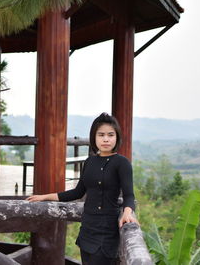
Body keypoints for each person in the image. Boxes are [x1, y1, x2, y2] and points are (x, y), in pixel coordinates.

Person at [26, 112, 138, 265]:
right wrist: (45, 197)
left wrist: (127, 212)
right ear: (94, 137)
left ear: (117, 137)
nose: (106, 139)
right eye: (101, 135)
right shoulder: (90, 162)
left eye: (110, 135)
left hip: (107, 231)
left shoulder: (122, 163)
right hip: (88, 228)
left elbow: (129, 195)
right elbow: (78, 192)